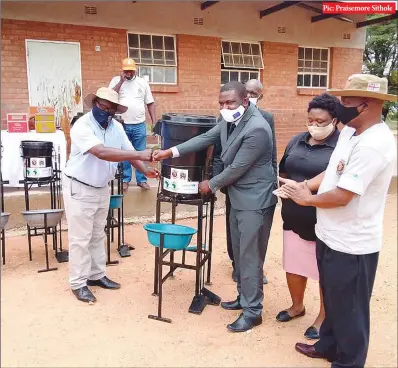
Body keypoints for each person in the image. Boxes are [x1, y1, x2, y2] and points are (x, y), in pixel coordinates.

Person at [278, 74, 397, 367]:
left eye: (346, 100)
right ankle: (328, 345)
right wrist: (306, 185)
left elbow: (344, 195)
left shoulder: (374, 144)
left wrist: (306, 199)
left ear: (366, 104)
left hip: (353, 244)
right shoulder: (349, 132)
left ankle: (348, 362)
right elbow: (334, 171)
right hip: (330, 234)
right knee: (333, 299)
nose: (340, 105)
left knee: (351, 310)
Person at [153, 81, 277, 332]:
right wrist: (170, 152)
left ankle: (253, 311)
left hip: (255, 200)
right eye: (221, 103)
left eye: (230, 102)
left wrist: (209, 184)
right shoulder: (230, 121)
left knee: (250, 256)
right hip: (238, 196)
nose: (225, 107)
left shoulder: (257, 128)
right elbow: (205, 138)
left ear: (245, 101)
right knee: (239, 252)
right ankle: (244, 297)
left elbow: (237, 168)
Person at [63, 87, 159, 304]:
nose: (104, 111)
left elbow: (127, 149)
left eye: (109, 109)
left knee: (98, 234)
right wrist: (139, 154)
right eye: (101, 106)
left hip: (101, 187)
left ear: (115, 111)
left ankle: (96, 275)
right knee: (80, 239)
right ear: (94, 103)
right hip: (80, 187)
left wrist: (144, 170)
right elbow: (102, 152)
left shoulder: (115, 126)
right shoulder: (83, 125)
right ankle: (78, 283)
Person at [276, 93, 340, 340]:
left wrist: (304, 189)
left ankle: (323, 317)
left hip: (322, 219)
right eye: (310, 120)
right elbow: (283, 168)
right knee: (293, 264)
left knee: (325, 271)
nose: (314, 125)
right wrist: (283, 188)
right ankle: (297, 306)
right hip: (292, 215)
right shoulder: (297, 140)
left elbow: (336, 182)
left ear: (334, 121)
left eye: (321, 121)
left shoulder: (339, 148)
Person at [213, 79, 277, 284]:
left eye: (253, 93)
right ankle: (238, 268)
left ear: (256, 97)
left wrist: (273, 180)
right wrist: (218, 181)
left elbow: (271, 153)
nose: (249, 96)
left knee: (253, 238)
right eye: (246, 91)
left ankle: (253, 273)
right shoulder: (225, 116)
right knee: (235, 233)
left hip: (254, 189)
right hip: (231, 185)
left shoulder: (264, 120)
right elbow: (217, 152)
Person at [109, 58, 157, 191]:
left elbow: (150, 103)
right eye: (126, 71)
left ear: (135, 70)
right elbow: (109, 96)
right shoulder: (116, 81)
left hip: (139, 124)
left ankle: (142, 180)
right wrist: (121, 81)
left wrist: (154, 122)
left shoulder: (142, 83)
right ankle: (125, 179)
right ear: (122, 70)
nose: (128, 74)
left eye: (131, 71)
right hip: (121, 124)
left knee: (140, 152)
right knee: (125, 153)